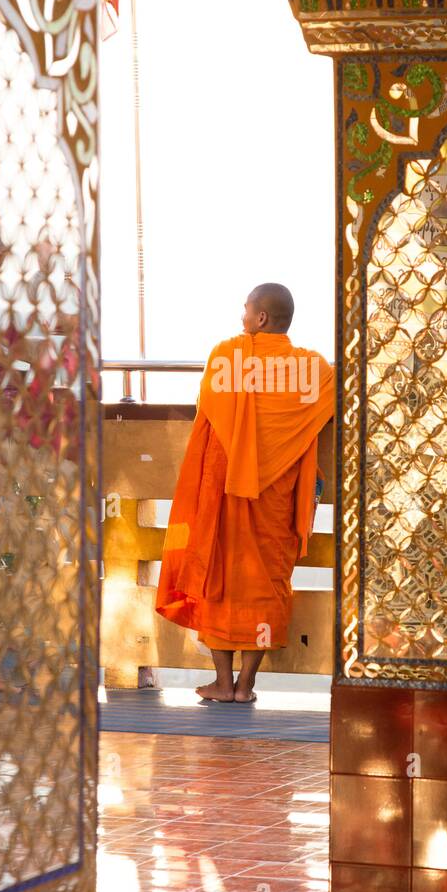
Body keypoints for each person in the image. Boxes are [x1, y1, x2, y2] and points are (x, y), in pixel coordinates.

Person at [156, 284, 333, 702]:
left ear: (261, 319)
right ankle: (246, 685)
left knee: (220, 576)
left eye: (246, 311)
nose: (241, 318)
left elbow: (208, 408)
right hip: (276, 497)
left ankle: (222, 681)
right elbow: (328, 399)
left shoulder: (226, 357)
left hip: (226, 491)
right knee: (267, 582)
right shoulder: (313, 368)